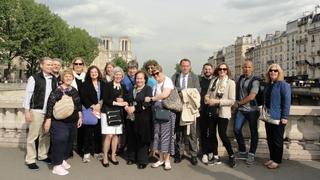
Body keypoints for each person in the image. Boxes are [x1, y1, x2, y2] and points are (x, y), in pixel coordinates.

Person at [43, 69, 82, 176]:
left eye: (70, 76)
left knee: (69, 141)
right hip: (59, 122)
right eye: (66, 76)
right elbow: (50, 105)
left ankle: (62, 159)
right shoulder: (57, 90)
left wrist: (80, 117)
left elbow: (78, 104)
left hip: (72, 121)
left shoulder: (73, 90)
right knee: (60, 141)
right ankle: (56, 165)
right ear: (62, 78)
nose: (68, 78)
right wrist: (48, 119)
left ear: (73, 78)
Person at [23, 57, 58, 170]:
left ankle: (42, 155)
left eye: (51, 64)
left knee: (46, 134)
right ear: (41, 66)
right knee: (33, 136)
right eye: (48, 64)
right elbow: (28, 95)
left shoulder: (54, 79)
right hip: (37, 110)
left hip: (49, 112)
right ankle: (30, 159)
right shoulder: (34, 78)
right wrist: (27, 111)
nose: (50, 66)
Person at [204, 63, 236, 168]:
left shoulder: (231, 83)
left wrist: (217, 102)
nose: (222, 71)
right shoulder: (213, 81)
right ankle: (216, 156)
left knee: (222, 135)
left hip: (223, 113)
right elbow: (208, 94)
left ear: (227, 71)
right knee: (212, 135)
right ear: (217, 70)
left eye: (224, 69)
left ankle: (231, 155)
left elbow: (231, 101)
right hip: (212, 111)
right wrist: (207, 98)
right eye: (220, 69)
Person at [145, 65, 176, 171]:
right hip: (157, 113)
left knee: (167, 136)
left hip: (167, 112)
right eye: (153, 74)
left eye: (157, 73)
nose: (155, 75)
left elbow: (164, 95)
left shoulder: (167, 80)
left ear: (162, 72)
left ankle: (167, 160)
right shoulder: (155, 84)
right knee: (157, 135)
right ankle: (161, 159)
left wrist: (152, 98)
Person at [171, 58, 200, 165]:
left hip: (190, 109)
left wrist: (183, 93)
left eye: (187, 66)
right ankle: (179, 153)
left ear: (190, 67)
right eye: (183, 66)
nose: (185, 68)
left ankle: (193, 155)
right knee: (179, 133)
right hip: (179, 107)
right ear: (180, 66)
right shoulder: (176, 76)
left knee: (192, 133)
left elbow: (197, 90)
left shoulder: (195, 77)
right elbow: (173, 88)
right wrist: (184, 91)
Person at [263, 63, 291, 169]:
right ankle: (272, 158)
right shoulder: (268, 85)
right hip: (268, 116)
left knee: (277, 140)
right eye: (271, 70)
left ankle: (277, 160)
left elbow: (287, 102)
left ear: (279, 73)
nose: (273, 72)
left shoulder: (284, 85)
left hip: (278, 117)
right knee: (270, 139)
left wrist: (284, 117)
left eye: (275, 71)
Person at [233, 60, 260, 165]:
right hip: (241, 110)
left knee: (253, 132)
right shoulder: (240, 78)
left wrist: (239, 103)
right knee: (236, 129)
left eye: (249, 67)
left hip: (252, 110)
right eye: (245, 67)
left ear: (252, 68)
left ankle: (252, 153)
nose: (246, 69)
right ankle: (243, 150)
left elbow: (252, 96)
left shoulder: (255, 81)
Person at [125, 71, 153, 169]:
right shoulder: (132, 88)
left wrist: (135, 108)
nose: (139, 80)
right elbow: (128, 100)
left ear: (145, 79)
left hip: (143, 118)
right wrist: (127, 107)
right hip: (131, 117)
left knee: (142, 139)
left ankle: (142, 160)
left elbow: (147, 104)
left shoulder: (148, 89)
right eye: (137, 78)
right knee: (132, 137)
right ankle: (131, 157)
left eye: (141, 78)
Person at [101, 67, 128, 167]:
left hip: (118, 114)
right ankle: (105, 157)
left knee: (116, 135)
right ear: (113, 75)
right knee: (109, 135)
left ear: (122, 76)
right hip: (107, 113)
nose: (118, 76)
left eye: (120, 75)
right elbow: (105, 99)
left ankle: (113, 155)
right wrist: (118, 103)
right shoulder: (107, 85)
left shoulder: (123, 87)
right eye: (116, 74)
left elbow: (127, 98)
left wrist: (125, 102)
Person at [80, 66, 105, 163]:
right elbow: (83, 97)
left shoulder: (103, 84)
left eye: (95, 72)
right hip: (89, 110)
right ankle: (86, 153)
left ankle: (97, 151)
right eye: (92, 72)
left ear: (98, 73)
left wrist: (99, 105)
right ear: (89, 74)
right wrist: (92, 106)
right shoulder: (85, 84)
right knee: (88, 133)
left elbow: (105, 96)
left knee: (98, 132)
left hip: (100, 110)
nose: (94, 73)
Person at [198, 63, 218, 164]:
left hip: (213, 110)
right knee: (203, 132)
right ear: (203, 70)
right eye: (206, 69)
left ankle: (212, 151)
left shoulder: (216, 81)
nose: (207, 71)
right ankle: (204, 153)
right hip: (202, 110)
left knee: (212, 132)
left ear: (212, 70)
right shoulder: (200, 81)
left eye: (209, 69)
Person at [69, 57, 86, 155]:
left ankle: (80, 148)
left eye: (80, 64)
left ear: (83, 65)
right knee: (71, 127)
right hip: (72, 105)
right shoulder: (69, 75)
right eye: (76, 64)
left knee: (82, 128)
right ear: (73, 65)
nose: (78, 66)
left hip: (83, 106)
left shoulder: (86, 76)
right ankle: (69, 148)